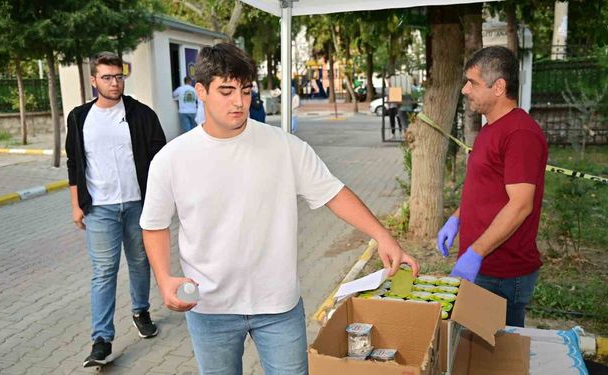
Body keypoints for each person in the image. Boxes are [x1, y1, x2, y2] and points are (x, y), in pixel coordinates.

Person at [139, 43, 420, 375]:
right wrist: (163, 277)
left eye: (245, 91)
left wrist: (384, 238)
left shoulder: (284, 146)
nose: (239, 102)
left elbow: (334, 193)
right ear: (201, 91)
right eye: (226, 91)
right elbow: (153, 224)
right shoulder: (172, 159)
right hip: (209, 306)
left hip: (278, 304)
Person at [66, 51, 166, 368]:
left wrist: (161, 200)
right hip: (99, 208)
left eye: (118, 76)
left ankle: (141, 310)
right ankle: (101, 340)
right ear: (93, 80)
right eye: (107, 77)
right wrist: (76, 205)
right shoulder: (80, 117)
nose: (114, 82)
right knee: (104, 273)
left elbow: (160, 159)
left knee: (140, 262)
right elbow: (74, 163)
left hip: (138, 204)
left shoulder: (141, 114)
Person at [436, 46, 548, 327]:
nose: (465, 90)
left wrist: (476, 252)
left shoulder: (520, 133)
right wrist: (456, 219)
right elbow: (485, 189)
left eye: (472, 82)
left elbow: (521, 204)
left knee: (499, 361)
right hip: (485, 266)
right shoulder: (491, 128)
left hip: (502, 274)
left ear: (498, 86)